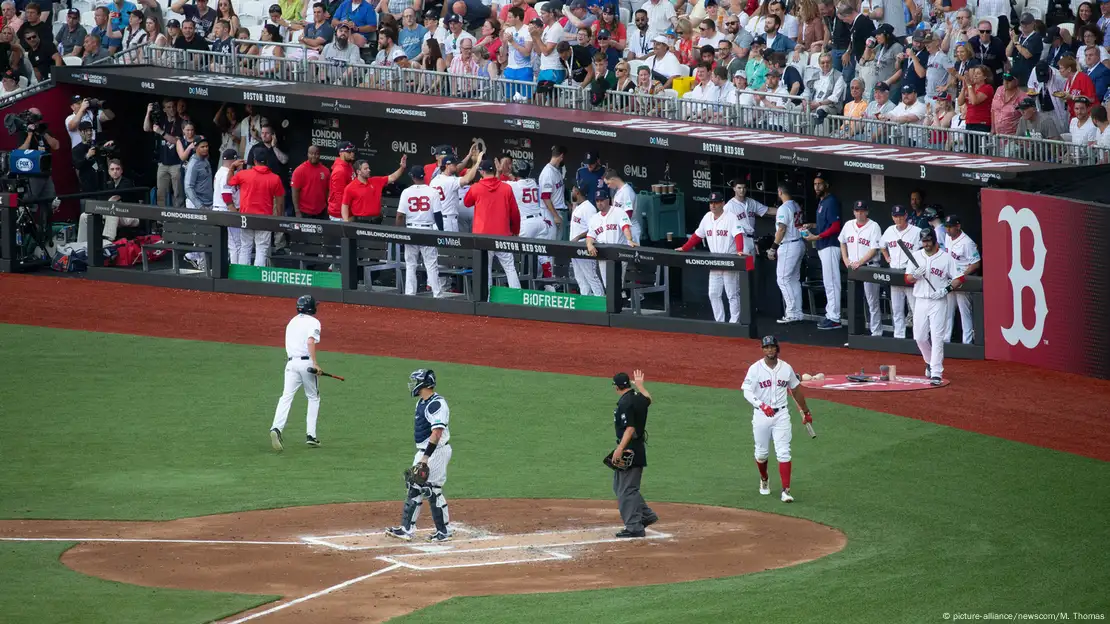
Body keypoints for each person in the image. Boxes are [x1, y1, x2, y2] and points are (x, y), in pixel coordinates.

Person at [741, 335, 814, 504]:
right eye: (766, 347)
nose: (769, 350)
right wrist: (761, 405)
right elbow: (747, 391)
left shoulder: (786, 368)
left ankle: (786, 490)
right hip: (761, 415)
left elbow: (795, 390)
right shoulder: (755, 369)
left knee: (784, 452)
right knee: (762, 453)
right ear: (762, 350)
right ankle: (764, 478)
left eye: (772, 347)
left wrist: (806, 411)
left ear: (777, 349)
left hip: (781, 415)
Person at [385, 368, 454, 542]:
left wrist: (425, 458)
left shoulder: (436, 404)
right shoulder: (422, 402)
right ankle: (406, 529)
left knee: (431, 489)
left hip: (436, 452)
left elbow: (437, 433)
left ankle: (444, 531)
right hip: (424, 451)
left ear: (424, 384)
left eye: (416, 381)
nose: (413, 385)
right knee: (414, 485)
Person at [676, 192, 746, 323]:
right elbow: (698, 235)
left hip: (729, 260)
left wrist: (740, 250)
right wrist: (685, 247)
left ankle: (734, 322)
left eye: (716, 202)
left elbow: (738, 234)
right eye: (711, 203)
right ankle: (719, 321)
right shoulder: (707, 217)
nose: (713, 205)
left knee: (732, 294)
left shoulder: (731, 217)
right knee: (713, 293)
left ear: (722, 204)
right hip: (714, 261)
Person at [905, 227, 963, 383]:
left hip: (938, 301)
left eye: (928, 241)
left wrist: (946, 289)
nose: (926, 244)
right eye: (924, 241)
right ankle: (930, 362)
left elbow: (959, 279)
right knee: (919, 336)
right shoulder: (916, 256)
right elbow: (907, 279)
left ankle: (937, 371)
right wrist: (915, 275)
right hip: (921, 300)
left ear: (935, 240)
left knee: (937, 337)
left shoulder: (946, 258)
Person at [606, 370, 658, 538]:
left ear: (616, 387)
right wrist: (641, 386)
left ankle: (634, 527)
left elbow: (630, 428)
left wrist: (620, 449)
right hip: (635, 448)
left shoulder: (625, 403)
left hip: (630, 450)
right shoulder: (637, 398)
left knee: (627, 490)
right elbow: (649, 399)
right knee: (621, 487)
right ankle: (645, 515)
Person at [270, 295, 324, 451]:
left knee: (286, 397)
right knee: (313, 397)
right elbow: (310, 341)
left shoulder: (292, 322)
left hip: (291, 364)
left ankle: (276, 428)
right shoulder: (314, 322)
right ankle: (311, 435)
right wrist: (315, 363)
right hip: (306, 363)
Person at [464, 158, 522, 289]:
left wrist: (478, 185)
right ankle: (516, 297)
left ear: (482, 172)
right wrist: (515, 231)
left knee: (486, 269)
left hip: (482, 236)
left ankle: (487, 298)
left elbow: (467, 202)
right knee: (510, 268)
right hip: (502, 235)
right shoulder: (506, 188)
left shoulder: (476, 187)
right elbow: (515, 213)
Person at [226, 147, 286, 266]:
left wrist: (232, 167)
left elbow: (229, 182)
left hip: (246, 217)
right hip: (265, 219)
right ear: (267, 161)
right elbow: (280, 202)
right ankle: (258, 280)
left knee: (245, 247)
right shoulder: (275, 178)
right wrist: (278, 218)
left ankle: (243, 278)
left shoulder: (243, 174)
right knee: (262, 249)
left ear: (254, 160)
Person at [396, 166, 444, 298]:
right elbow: (438, 215)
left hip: (411, 229)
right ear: (424, 176)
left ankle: (410, 294)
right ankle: (437, 294)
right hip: (427, 229)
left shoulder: (406, 192)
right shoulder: (432, 191)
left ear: (412, 176)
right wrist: (442, 232)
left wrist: (399, 234)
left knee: (411, 264)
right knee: (431, 264)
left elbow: (400, 216)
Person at [801, 173, 841, 329]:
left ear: (826, 185)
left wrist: (817, 236)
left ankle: (834, 317)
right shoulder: (822, 202)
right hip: (823, 246)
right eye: (815, 184)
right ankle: (831, 314)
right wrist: (812, 227)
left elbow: (835, 226)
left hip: (830, 245)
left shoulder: (831, 202)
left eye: (820, 184)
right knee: (828, 282)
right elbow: (825, 225)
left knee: (832, 282)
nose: (817, 187)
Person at [508, 162, 555, 289]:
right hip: (540, 222)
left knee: (516, 253)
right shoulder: (533, 182)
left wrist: (501, 171)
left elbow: (499, 183)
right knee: (542, 254)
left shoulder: (514, 186)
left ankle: (520, 283)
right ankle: (549, 283)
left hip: (526, 224)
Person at [838, 200, 883, 337]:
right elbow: (842, 242)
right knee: (854, 302)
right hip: (854, 269)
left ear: (867, 212)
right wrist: (845, 259)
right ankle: (856, 333)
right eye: (857, 211)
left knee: (872, 302)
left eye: (862, 211)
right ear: (854, 212)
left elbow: (874, 249)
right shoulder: (848, 225)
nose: (859, 213)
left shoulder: (874, 226)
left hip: (869, 267)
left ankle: (876, 333)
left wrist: (860, 262)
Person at [880, 204, 922, 339]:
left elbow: (924, 251)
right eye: (895, 216)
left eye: (900, 216)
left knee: (915, 309)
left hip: (909, 274)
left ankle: (919, 337)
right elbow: (882, 246)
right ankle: (899, 336)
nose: (898, 219)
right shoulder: (889, 230)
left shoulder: (916, 231)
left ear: (906, 216)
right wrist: (886, 257)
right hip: (894, 273)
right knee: (897, 309)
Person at [585, 186, 635, 289]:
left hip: (619, 253)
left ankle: (620, 300)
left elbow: (625, 227)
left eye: (602, 200)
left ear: (608, 200)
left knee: (617, 284)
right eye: (597, 201)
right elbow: (590, 236)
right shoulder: (594, 218)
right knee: (607, 285)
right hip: (603, 254)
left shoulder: (618, 212)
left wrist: (629, 240)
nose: (599, 203)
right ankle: (612, 302)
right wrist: (589, 244)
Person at [769, 183, 805, 325]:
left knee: (783, 279)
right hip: (799, 243)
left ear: (780, 192)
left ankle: (791, 312)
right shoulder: (796, 205)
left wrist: (773, 247)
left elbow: (782, 229)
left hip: (789, 244)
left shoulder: (784, 208)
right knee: (793, 279)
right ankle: (798, 313)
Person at [942, 215, 980, 344]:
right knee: (948, 311)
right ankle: (946, 340)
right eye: (946, 226)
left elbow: (976, 263)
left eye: (950, 227)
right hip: (949, 280)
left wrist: (962, 276)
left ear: (958, 226)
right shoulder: (947, 237)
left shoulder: (967, 242)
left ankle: (967, 342)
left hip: (963, 282)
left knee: (965, 313)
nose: (947, 229)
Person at [341, 156, 407, 223]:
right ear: (358, 172)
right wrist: (346, 221)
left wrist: (402, 168)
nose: (369, 170)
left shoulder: (376, 181)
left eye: (368, 168)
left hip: (376, 220)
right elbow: (345, 205)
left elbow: (393, 177)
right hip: (360, 221)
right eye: (365, 169)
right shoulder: (350, 187)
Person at [568, 184, 604, 296]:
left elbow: (593, 229)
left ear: (577, 192)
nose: (571, 192)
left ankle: (601, 301)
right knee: (580, 279)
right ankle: (585, 304)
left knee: (591, 277)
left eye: (573, 190)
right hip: (575, 247)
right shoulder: (579, 206)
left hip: (584, 247)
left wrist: (578, 237)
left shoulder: (589, 208)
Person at [724, 179, 773, 256]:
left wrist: (785, 209)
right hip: (740, 239)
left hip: (752, 239)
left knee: (751, 266)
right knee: (742, 266)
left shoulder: (751, 202)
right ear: (734, 188)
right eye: (739, 188)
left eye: (744, 188)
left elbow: (768, 210)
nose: (742, 190)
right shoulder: (729, 206)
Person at [213, 148, 242, 264]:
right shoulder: (226, 174)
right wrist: (235, 214)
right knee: (236, 244)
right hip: (226, 211)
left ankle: (230, 269)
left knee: (230, 245)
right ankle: (236, 272)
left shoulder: (220, 171)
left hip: (220, 210)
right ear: (233, 161)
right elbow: (226, 196)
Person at [72, 121, 112, 193]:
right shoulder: (76, 149)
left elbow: (106, 153)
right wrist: (87, 156)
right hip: (88, 182)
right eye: (86, 131)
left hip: (102, 179)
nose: (89, 133)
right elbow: (77, 165)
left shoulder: (97, 143)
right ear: (80, 132)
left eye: (90, 130)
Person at [290, 145, 329, 219]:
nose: (314, 156)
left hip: (321, 211)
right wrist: (297, 211)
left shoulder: (325, 171)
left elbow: (327, 191)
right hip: (305, 212)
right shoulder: (300, 170)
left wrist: (328, 207)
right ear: (307, 154)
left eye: (316, 153)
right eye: (311, 153)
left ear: (319, 155)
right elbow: (295, 191)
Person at [538, 145, 568, 238]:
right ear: (561, 156)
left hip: (557, 211)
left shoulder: (556, 171)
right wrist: (555, 216)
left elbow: (556, 193)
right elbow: (545, 197)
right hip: (550, 214)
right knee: (552, 244)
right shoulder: (548, 173)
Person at [604, 168, 639, 244]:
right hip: (622, 229)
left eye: (608, 183)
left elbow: (628, 213)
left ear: (613, 179)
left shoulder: (627, 191)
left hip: (630, 229)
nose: (608, 186)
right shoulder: (619, 191)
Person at [327, 140, 357, 221]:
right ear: (341, 153)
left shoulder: (349, 165)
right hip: (340, 214)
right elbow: (339, 196)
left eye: (353, 151)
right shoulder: (340, 171)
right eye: (349, 151)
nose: (352, 153)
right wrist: (346, 216)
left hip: (349, 210)